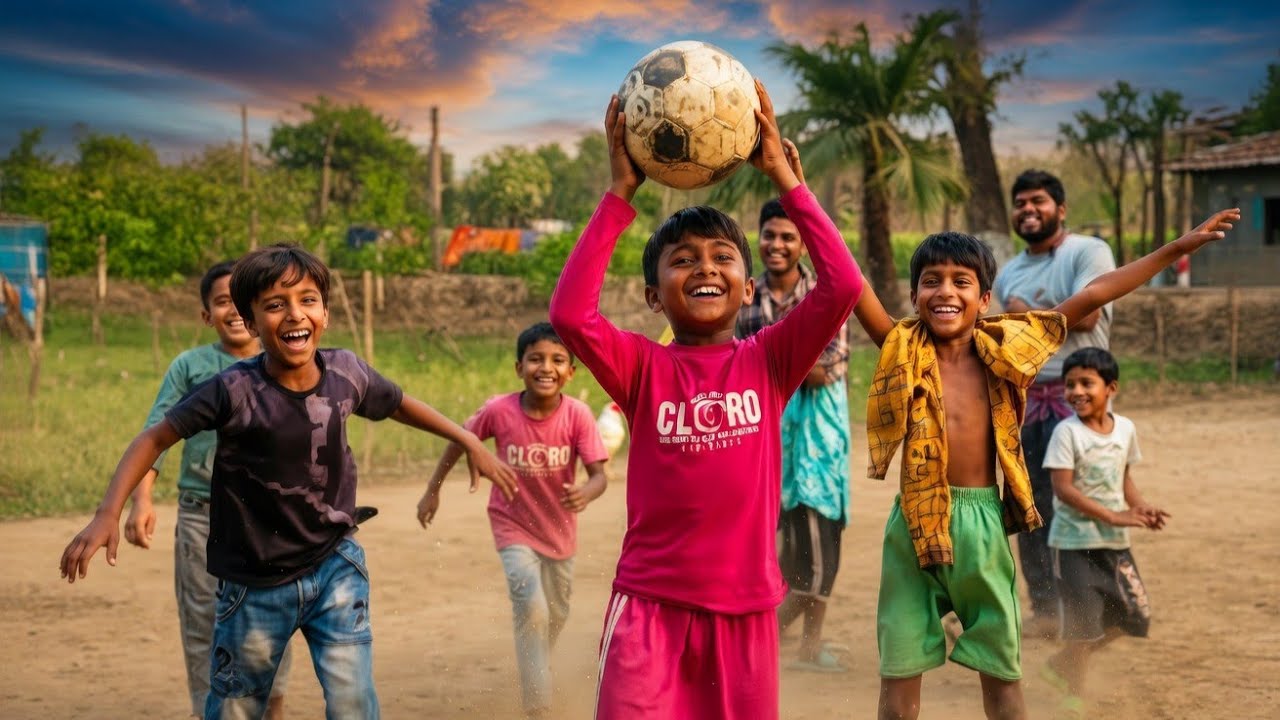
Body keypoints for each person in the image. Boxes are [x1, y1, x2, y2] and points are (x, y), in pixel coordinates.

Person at [59, 243, 516, 720]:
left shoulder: (347, 372)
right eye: (275, 305)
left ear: (325, 312)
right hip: (253, 582)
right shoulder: (233, 390)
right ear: (252, 323)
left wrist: (467, 438)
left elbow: (397, 402)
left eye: (308, 299)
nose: (295, 314)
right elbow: (154, 438)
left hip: (335, 564)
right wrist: (108, 512)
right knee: (236, 708)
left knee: (354, 702)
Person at [548, 81, 862, 719]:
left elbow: (842, 286)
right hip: (649, 607)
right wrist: (618, 196)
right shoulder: (643, 366)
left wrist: (784, 178)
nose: (706, 268)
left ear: (748, 288)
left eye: (722, 257)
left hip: (747, 610)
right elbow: (571, 316)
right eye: (682, 260)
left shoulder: (769, 360)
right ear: (654, 296)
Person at [851, 208, 1238, 720]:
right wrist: (794, 185)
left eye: (961, 281)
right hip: (913, 527)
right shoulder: (899, 346)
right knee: (897, 684)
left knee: (1003, 678)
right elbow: (848, 279)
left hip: (982, 524)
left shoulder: (1010, 349)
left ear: (984, 298)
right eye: (931, 281)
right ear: (915, 294)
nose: (945, 291)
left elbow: (1094, 295)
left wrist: (1175, 250)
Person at [122, 260, 293, 718]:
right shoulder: (192, 367)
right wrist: (142, 500)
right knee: (204, 622)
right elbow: (156, 432)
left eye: (242, 302)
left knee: (273, 617)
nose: (234, 312)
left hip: (270, 519)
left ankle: (271, 709)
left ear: (257, 309)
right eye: (222, 302)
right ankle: (208, 711)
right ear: (207, 315)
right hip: (202, 516)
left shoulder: (283, 358)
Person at [416, 321, 608, 718]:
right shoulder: (498, 411)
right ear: (518, 367)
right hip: (512, 525)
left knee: (556, 612)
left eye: (558, 360)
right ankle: (537, 703)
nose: (546, 367)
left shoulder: (578, 416)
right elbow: (459, 440)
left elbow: (600, 476)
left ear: (571, 372)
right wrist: (432, 490)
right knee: (533, 609)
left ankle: (536, 657)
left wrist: (586, 493)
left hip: (559, 532)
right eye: (535, 358)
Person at [993, 170, 1117, 636]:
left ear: (1060, 209)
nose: (1028, 210)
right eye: (1020, 202)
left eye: (1038, 201)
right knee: (1030, 508)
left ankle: (1092, 612)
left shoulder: (1088, 252)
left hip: (1079, 400)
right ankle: (1046, 612)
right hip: (1026, 402)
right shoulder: (1009, 273)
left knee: (1085, 503)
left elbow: (1085, 319)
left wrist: (1024, 311)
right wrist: (1030, 315)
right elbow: (1007, 340)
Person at [736, 199, 852, 673]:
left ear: (803, 243)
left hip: (818, 437)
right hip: (762, 429)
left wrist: (776, 363)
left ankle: (788, 641)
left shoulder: (825, 291)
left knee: (821, 534)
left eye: (788, 237)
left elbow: (829, 370)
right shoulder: (746, 294)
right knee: (775, 538)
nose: (777, 245)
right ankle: (771, 640)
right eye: (770, 235)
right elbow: (733, 359)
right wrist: (790, 359)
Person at [1040, 347, 1165, 719]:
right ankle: (1073, 695)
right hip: (1074, 545)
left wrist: (1139, 507)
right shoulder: (1066, 432)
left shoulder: (1125, 429)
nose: (1076, 391)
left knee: (1135, 617)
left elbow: (1122, 475)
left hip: (1115, 546)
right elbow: (1063, 488)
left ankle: (1060, 662)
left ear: (1111, 388)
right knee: (1083, 629)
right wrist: (1112, 516)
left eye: (1086, 383)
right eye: (1069, 384)